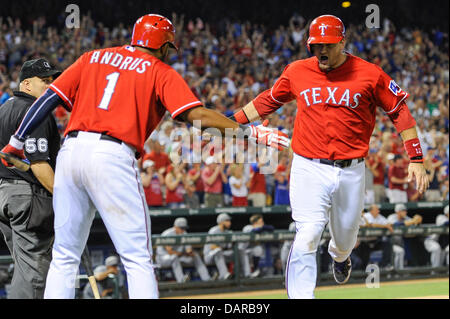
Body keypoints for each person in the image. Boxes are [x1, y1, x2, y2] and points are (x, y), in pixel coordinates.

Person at [0, 14, 288, 299]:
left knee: (63, 256)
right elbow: (196, 116)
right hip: (112, 154)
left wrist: (17, 140)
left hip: (71, 151)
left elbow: (49, 98)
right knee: (137, 258)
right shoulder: (158, 70)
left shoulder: (92, 57)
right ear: (163, 46)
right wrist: (248, 133)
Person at [229, 15, 429, 298]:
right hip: (308, 166)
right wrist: (229, 122)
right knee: (308, 233)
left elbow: (399, 110)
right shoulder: (297, 71)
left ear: (342, 42)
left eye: (328, 44)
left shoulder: (370, 73)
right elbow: (267, 101)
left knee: (346, 239)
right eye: (316, 44)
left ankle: (340, 255)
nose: (321, 50)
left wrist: (417, 158)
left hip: (352, 171)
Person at [0, 58, 61, 298]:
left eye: (51, 80)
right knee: (33, 274)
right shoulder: (35, 111)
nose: (50, 85)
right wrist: (63, 195)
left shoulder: (4, 108)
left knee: (25, 269)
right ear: (26, 84)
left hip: (5, 196)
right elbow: (38, 163)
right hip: (28, 197)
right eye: (44, 81)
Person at [155, 217, 211, 283]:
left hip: (179, 257)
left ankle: (207, 279)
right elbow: (170, 252)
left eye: (184, 228)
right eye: (181, 228)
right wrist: (184, 254)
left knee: (196, 256)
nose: (183, 230)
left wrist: (191, 253)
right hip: (163, 259)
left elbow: (188, 250)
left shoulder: (184, 234)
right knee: (174, 257)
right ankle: (181, 280)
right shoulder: (167, 234)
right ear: (175, 227)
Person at [353, 204, 394, 270]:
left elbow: (389, 223)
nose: (378, 211)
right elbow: (370, 225)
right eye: (376, 209)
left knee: (386, 244)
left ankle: (385, 265)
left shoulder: (379, 216)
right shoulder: (366, 215)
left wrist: (387, 225)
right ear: (371, 211)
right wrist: (384, 226)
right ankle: (360, 273)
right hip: (364, 243)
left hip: (375, 241)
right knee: (363, 262)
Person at [387, 203, 423, 269]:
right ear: (398, 212)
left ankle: (407, 266)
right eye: (403, 211)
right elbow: (396, 224)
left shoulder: (406, 218)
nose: (405, 212)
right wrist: (413, 221)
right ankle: (391, 268)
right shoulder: (391, 217)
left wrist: (418, 221)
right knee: (399, 250)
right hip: (391, 241)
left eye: (405, 210)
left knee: (413, 242)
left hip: (402, 240)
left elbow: (413, 223)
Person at [203, 213, 234, 280]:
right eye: (227, 221)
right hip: (210, 256)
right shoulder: (214, 231)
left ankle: (243, 274)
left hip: (221, 254)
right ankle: (224, 275)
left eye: (229, 221)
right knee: (218, 251)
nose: (229, 223)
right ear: (221, 222)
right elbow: (212, 247)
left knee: (237, 252)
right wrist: (223, 249)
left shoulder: (228, 232)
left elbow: (229, 247)